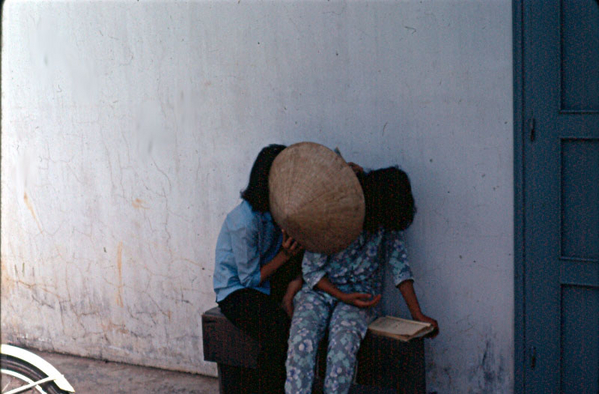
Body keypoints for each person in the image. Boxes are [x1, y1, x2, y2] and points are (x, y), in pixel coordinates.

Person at [285, 166, 439, 394]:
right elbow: (311, 271)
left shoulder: (385, 223)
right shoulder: (333, 214)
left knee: (342, 351)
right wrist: (342, 295)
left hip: (361, 297)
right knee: (300, 344)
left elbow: (400, 269)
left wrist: (417, 315)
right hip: (319, 292)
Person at [213, 144, 304, 393]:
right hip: (238, 291)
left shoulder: (275, 212)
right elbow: (249, 278)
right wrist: (286, 255)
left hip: (269, 280)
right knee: (277, 330)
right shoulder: (245, 221)